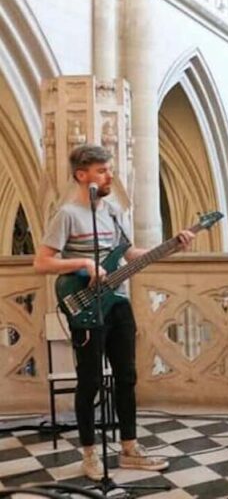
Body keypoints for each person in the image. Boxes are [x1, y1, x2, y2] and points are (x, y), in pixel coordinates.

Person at [33, 145, 195, 481]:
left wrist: (170, 246)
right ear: (82, 175)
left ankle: (129, 448)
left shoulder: (112, 211)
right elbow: (42, 261)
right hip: (85, 305)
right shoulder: (67, 214)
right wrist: (83, 262)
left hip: (118, 301)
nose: (110, 176)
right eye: (103, 170)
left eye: (110, 169)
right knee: (89, 380)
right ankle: (90, 454)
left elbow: (128, 252)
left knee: (127, 376)